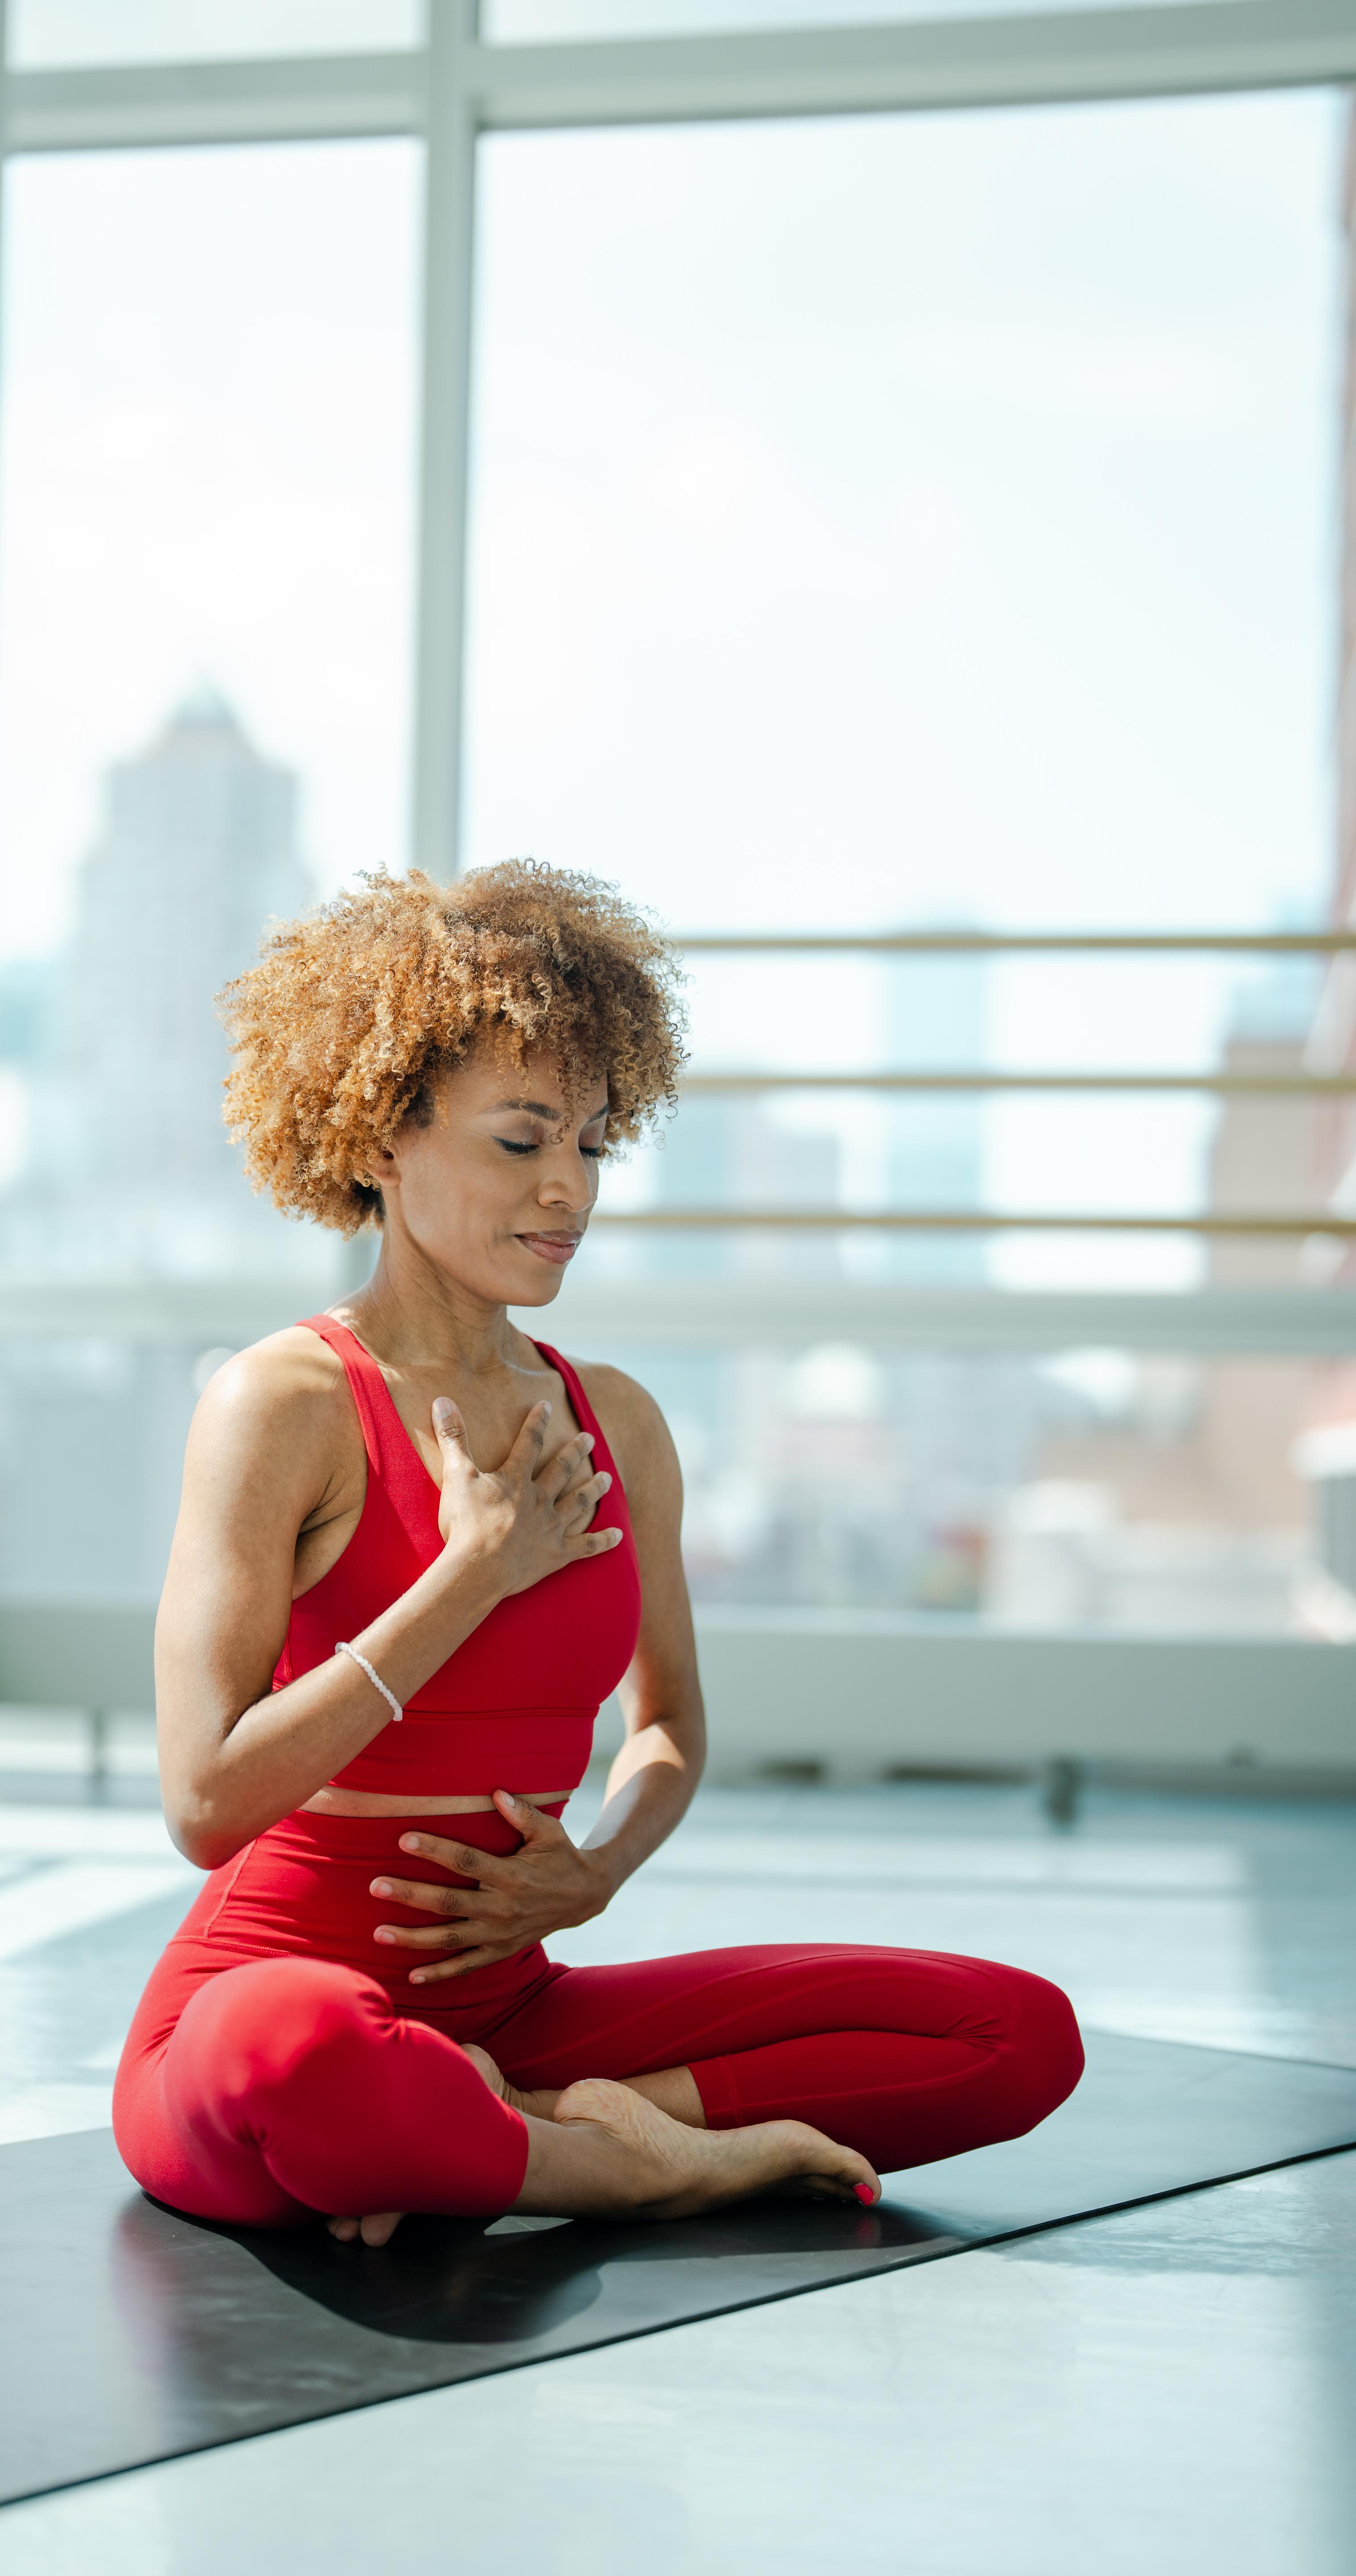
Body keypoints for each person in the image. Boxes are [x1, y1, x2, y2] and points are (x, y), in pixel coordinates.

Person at [114, 862, 1082, 2245]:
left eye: (594, 1143)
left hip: (516, 2008)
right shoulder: (285, 1405)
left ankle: (489, 2127)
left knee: (1013, 2034)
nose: (570, 1189)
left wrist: (604, 1864)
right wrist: (471, 1576)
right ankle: (651, 2161)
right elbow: (203, 1799)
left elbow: (669, 1720)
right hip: (273, 2000)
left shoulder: (614, 1418)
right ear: (385, 1138)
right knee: (301, 2055)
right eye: (521, 1142)